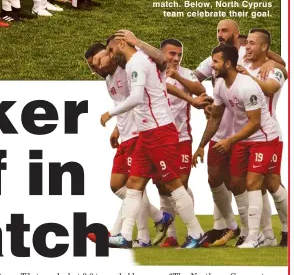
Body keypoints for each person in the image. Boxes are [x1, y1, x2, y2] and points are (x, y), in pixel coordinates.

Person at [101, 30, 204, 249]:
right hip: (146, 133)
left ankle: (196, 232)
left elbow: (137, 97)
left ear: (121, 44)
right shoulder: (139, 61)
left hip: (159, 132)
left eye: (111, 50)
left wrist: (110, 113)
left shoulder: (136, 63)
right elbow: (161, 60)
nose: (110, 55)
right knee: (134, 184)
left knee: (173, 184)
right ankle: (126, 236)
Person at [192, 45, 280, 248]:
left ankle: (254, 237)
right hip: (243, 139)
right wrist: (201, 145)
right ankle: (252, 233)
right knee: (236, 184)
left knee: (252, 183)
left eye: (215, 61)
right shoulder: (220, 84)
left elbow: (255, 123)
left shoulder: (247, 86)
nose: (211, 66)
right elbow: (215, 118)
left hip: (264, 138)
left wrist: (230, 140)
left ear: (228, 63)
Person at [85, 43, 169, 247]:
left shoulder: (128, 69)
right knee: (117, 185)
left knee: (134, 188)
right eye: (91, 66)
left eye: (97, 62)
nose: (95, 68)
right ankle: (158, 218)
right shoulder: (109, 79)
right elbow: (122, 104)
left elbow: (137, 100)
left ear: (109, 55)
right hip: (125, 136)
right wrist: (117, 129)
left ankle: (132, 235)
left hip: (138, 135)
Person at [241, 29, 288, 246]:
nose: (247, 47)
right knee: (258, 185)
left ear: (264, 47)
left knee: (270, 183)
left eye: (252, 43)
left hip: (268, 135)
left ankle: (288, 230)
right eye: (247, 43)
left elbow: (270, 89)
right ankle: (268, 235)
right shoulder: (245, 61)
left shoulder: (273, 70)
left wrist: (274, 63)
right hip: (246, 135)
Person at [158, 38, 205, 246]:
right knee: (164, 187)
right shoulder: (151, 73)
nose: (176, 58)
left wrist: (176, 74)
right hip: (159, 140)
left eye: (179, 54)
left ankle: (193, 233)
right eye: (172, 54)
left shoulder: (186, 73)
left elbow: (199, 89)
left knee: (180, 185)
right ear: (161, 54)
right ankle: (172, 236)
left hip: (181, 139)